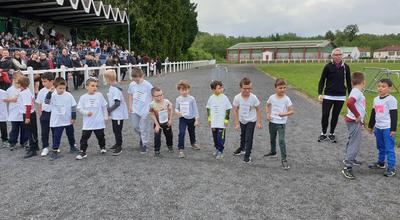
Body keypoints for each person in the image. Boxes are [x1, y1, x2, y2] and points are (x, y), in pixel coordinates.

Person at [318, 48, 352, 143]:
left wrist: (351, 96)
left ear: (342, 56)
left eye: (339, 54)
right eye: (336, 55)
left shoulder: (346, 67)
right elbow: (322, 81)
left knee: (335, 115)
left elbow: (349, 82)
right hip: (328, 95)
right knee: (325, 115)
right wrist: (320, 94)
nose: (338, 56)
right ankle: (323, 133)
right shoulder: (328, 67)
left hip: (340, 96)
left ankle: (332, 133)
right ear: (332, 56)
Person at [367, 79, 398, 177]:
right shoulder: (376, 99)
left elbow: (394, 116)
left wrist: (393, 129)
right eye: (379, 86)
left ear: (389, 88)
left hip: (387, 128)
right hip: (378, 127)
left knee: (389, 148)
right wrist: (371, 126)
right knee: (380, 146)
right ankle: (381, 163)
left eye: (383, 86)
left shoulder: (391, 100)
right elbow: (373, 113)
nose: (380, 88)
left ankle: (391, 168)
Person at [45, 77, 78, 160]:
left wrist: (73, 117)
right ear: (55, 87)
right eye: (60, 88)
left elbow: (73, 106)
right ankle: (55, 151)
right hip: (57, 121)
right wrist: (49, 93)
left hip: (68, 120)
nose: (62, 90)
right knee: (57, 136)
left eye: (64, 88)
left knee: (71, 134)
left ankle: (72, 147)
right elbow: (46, 102)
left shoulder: (68, 95)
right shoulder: (52, 95)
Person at [264, 78, 294, 170]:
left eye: (284, 88)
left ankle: (284, 159)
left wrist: (284, 114)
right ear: (275, 88)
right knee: (272, 138)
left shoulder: (287, 99)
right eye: (280, 88)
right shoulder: (272, 97)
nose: (283, 90)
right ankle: (273, 152)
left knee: (281, 140)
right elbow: (267, 105)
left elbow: (292, 111)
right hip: (272, 122)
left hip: (281, 123)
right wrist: (268, 114)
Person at [341, 72, 366, 179]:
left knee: (352, 140)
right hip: (353, 121)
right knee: (354, 143)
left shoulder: (355, 91)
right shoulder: (357, 92)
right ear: (363, 82)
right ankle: (347, 166)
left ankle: (349, 158)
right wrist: (357, 116)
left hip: (354, 121)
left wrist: (361, 120)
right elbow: (349, 103)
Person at [76, 78, 108, 160]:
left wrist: (105, 116)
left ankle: (102, 147)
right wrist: (86, 112)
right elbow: (79, 108)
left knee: (101, 136)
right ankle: (83, 151)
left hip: (98, 122)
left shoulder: (99, 95)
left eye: (96, 86)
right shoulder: (83, 97)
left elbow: (104, 106)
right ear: (87, 87)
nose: (95, 88)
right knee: (84, 137)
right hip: (88, 123)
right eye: (92, 86)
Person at [232, 77, 262, 163]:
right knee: (243, 135)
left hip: (251, 120)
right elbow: (235, 110)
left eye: (249, 88)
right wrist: (236, 123)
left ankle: (247, 155)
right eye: (245, 88)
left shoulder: (254, 98)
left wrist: (259, 122)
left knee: (249, 137)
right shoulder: (237, 98)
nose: (247, 90)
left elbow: (258, 109)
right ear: (241, 88)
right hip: (242, 119)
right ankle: (242, 148)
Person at [127, 67, 153, 154]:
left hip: (145, 109)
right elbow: (130, 95)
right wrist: (130, 106)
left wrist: (152, 107)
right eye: (134, 79)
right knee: (135, 126)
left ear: (142, 76)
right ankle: (142, 137)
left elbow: (153, 96)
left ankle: (144, 144)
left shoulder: (148, 85)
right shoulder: (132, 84)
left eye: (138, 79)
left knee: (144, 127)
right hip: (135, 108)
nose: (136, 81)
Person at [104, 69, 129, 156]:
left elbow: (117, 103)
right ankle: (117, 143)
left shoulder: (115, 89)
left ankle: (119, 146)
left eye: (105, 78)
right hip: (115, 114)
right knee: (115, 130)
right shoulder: (112, 87)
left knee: (117, 130)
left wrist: (109, 110)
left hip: (118, 114)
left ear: (108, 79)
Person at [206, 80, 232, 160]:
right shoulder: (211, 98)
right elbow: (208, 109)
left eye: (221, 88)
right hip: (214, 122)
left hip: (221, 123)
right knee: (215, 137)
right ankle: (217, 148)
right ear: (213, 90)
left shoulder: (225, 98)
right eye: (219, 88)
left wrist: (226, 120)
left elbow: (228, 109)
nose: (221, 89)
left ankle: (221, 151)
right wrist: (209, 119)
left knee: (221, 137)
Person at [175, 80, 200, 158]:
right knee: (181, 133)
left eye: (186, 90)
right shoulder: (178, 99)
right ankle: (181, 149)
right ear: (179, 90)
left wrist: (196, 119)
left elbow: (195, 109)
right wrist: (177, 112)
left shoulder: (192, 99)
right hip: (183, 118)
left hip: (191, 118)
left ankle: (193, 143)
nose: (184, 92)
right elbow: (176, 108)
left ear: (189, 89)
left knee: (192, 132)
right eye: (182, 90)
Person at [17, 76, 39, 158]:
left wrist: (27, 117)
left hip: (28, 114)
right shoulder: (26, 90)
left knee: (30, 132)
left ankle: (33, 149)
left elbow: (28, 106)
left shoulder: (24, 93)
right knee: (33, 130)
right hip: (30, 113)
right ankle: (35, 145)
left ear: (21, 84)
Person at [5, 71, 26, 151]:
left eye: (20, 82)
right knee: (14, 129)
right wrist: (11, 100)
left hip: (22, 112)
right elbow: (5, 99)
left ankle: (24, 141)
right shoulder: (9, 90)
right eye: (17, 82)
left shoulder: (24, 89)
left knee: (24, 128)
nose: (18, 84)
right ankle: (12, 142)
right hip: (13, 112)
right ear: (13, 80)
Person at [149, 87, 173, 157]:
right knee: (157, 137)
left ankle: (170, 146)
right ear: (153, 96)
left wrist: (170, 120)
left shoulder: (167, 102)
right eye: (157, 96)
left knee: (169, 135)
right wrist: (156, 124)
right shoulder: (152, 104)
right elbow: (152, 114)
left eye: (161, 95)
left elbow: (171, 110)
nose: (160, 97)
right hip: (158, 123)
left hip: (166, 122)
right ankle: (157, 150)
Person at [36, 73, 55, 157]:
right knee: (44, 132)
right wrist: (40, 114)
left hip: (55, 113)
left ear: (52, 81)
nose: (43, 83)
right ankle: (45, 147)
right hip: (45, 113)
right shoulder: (41, 91)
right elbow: (39, 103)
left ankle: (55, 146)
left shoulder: (57, 90)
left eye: (45, 81)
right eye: (42, 81)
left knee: (55, 131)